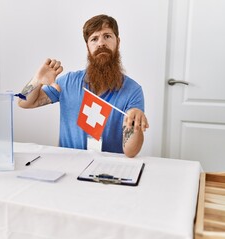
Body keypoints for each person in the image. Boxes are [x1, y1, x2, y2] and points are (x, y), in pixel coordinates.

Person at [18, 14, 149, 158]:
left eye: (107, 36)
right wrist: (37, 81)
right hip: (69, 165)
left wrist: (136, 126)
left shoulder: (133, 91)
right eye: (94, 39)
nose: (101, 43)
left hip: (108, 170)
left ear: (118, 42)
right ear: (87, 46)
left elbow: (131, 152)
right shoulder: (68, 82)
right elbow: (23, 102)